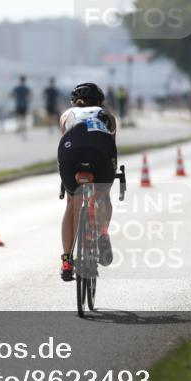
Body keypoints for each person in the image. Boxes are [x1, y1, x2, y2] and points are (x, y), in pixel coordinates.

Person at [57, 83, 118, 282]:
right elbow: (111, 147)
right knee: (102, 195)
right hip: (100, 151)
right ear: (100, 102)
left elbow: (64, 140)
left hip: (70, 152)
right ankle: (102, 234)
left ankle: (67, 260)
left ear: (74, 102)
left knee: (71, 204)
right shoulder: (107, 116)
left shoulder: (66, 115)